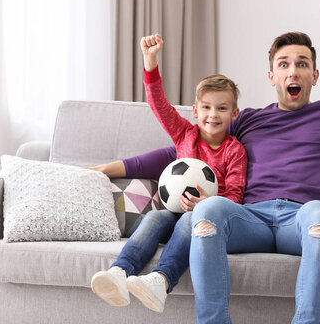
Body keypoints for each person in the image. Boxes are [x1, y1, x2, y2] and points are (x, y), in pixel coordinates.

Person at [118, 0, 320, 323]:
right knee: (208, 212)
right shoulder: (247, 121)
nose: (293, 72)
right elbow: (186, 148)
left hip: (301, 219)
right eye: (283, 65)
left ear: (314, 75)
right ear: (271, 76)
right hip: (249, 218)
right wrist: (118, 167)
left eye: (302, 64)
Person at [89, 34, 248, 313]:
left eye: (222, 108)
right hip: (169, 213)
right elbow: (159, 105)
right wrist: (150, 62)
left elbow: (235, 196)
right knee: (154, 216)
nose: (213, 115)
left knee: (189, 220)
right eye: (207, 108)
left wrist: (206, 204)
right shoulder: (185, 133)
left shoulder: (234, 151)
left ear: (234, 113)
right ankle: (119, 272)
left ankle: (160, 281)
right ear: (195, 110)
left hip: (202, 218)